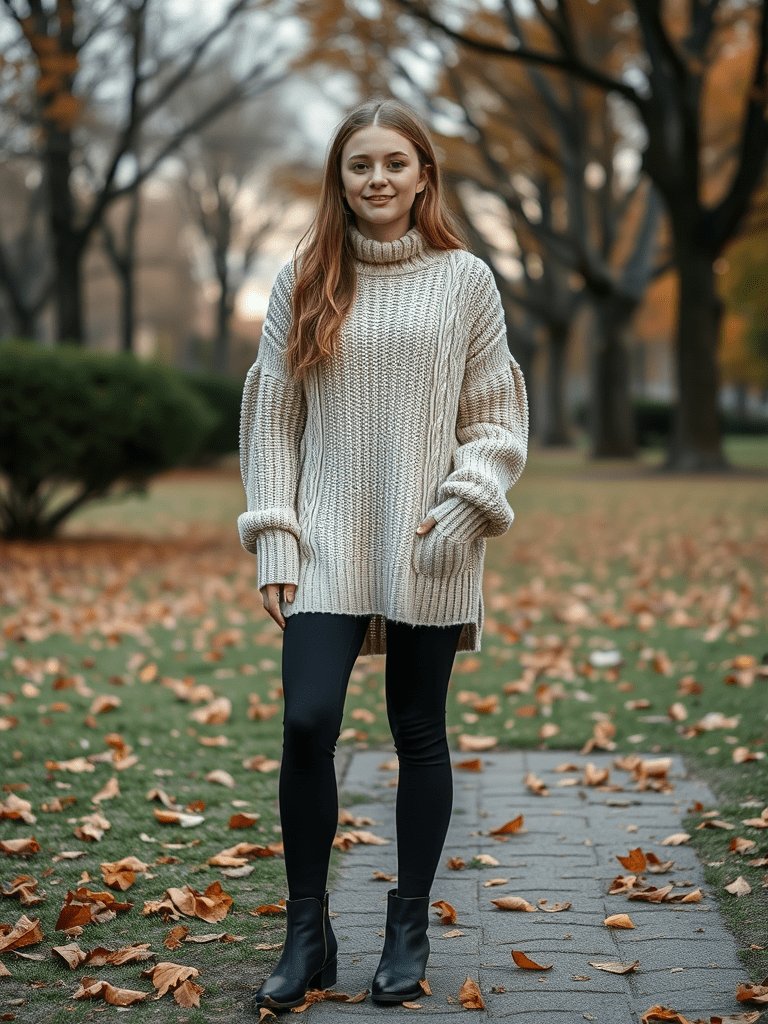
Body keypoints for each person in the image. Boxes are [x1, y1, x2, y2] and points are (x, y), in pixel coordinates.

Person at [237, 97, 529, 1013]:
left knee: (418, 730)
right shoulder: (304, 275)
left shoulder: (465, 279)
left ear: (423, 175)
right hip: (322, 536)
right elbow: (272, 415)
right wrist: (273, 528)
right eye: (360, 165)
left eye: (394, 163)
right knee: (306, 722)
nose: (377, 180)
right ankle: (307, 930)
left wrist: (469, 501)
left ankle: (408, 928)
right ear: (340, 178)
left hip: (426, 539)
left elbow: (494, 411)